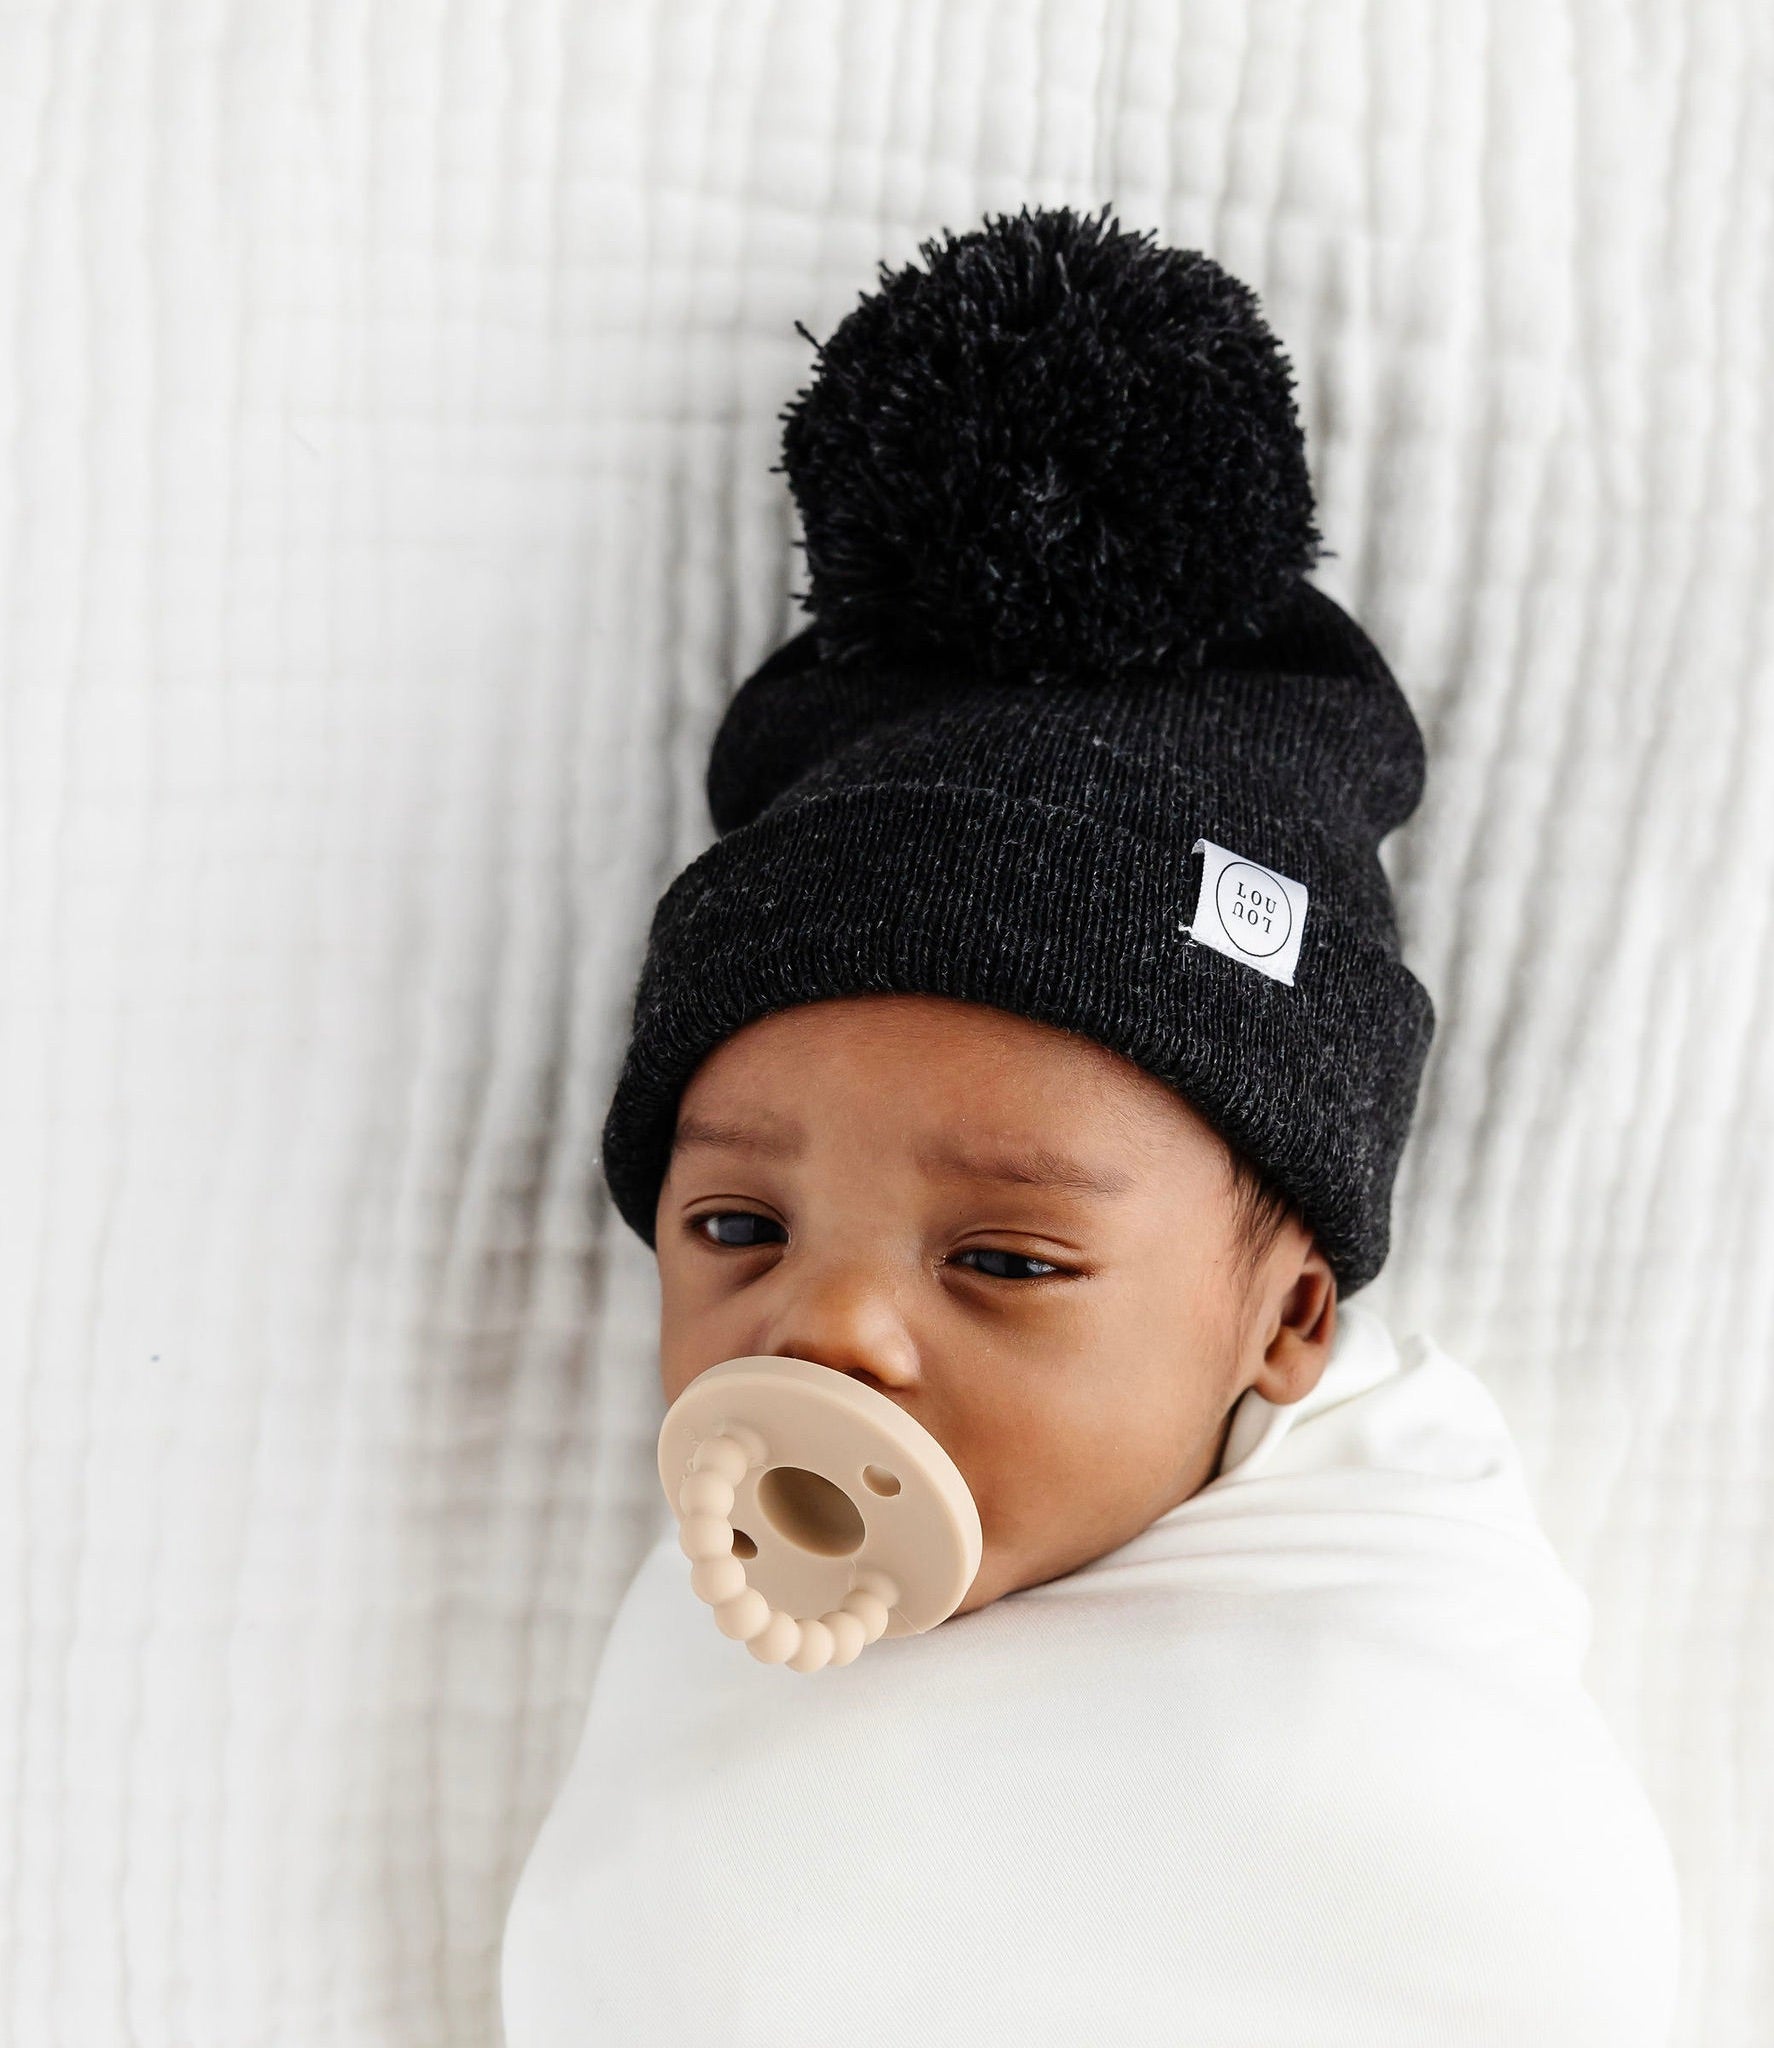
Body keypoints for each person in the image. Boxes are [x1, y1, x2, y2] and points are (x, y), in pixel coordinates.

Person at [499, 203, 1683, 2046]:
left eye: (1004, 1258)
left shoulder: (1390, 1723)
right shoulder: (725, 1628)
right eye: (735, 1229)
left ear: (1288, 1322)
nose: (824, 1335)